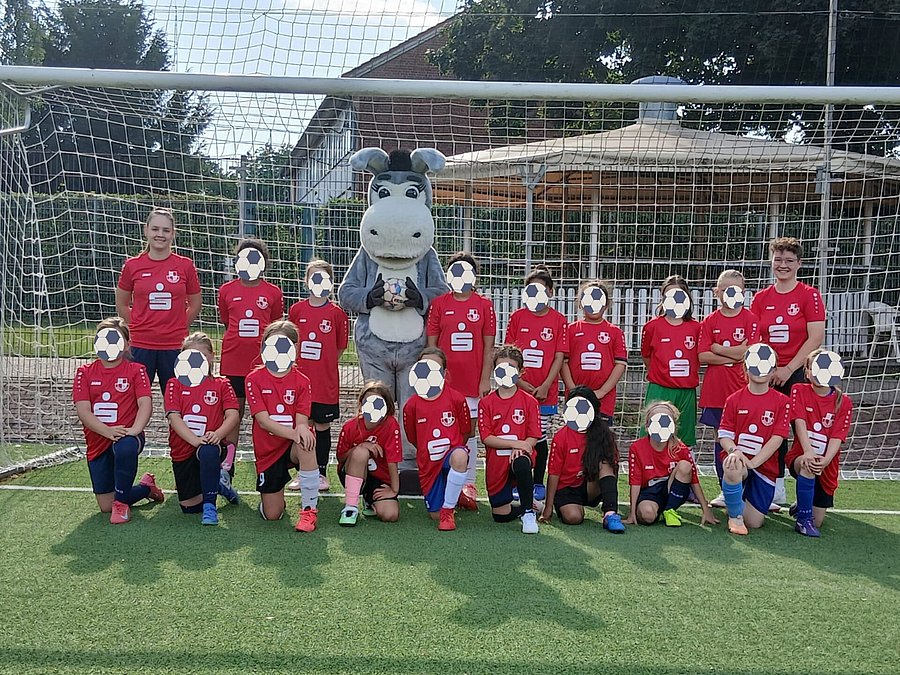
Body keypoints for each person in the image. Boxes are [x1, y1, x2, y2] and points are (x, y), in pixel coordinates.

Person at [749, 237, 826, 508]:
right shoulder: (760, 298)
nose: (783, 265)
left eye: (789, 260)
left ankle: (812, 493)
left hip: (798, 373)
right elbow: (756, 339)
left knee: (804, 429)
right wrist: (767, 370)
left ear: (799, 264)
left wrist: (789, 368)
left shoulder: (809, 295)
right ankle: (776, 487)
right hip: (768, 373)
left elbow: (815, 337)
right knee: (771, 427)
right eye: (778, 259)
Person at [72, 317, 164, 524]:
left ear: (127, 345)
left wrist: (135, 430)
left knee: (126, 446)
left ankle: (122, 505)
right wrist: (108, 431)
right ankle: (146, 488)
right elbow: (83, 411)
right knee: (106, 506)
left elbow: (145, 403)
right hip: (98, 441)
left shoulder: (136, 370)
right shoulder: (84, 373)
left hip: (127, 437)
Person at [426, 252, 496, 507]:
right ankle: (441, 478)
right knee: (443, 429)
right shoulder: (439, 304)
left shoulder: (484, 305)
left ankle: (469, 481)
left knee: (469, 432)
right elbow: (431, 348)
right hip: (444, 384)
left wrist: (485, 380)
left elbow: (489, 348)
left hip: (472, 382)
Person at [115, 208, 201, 393]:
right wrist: (136, 326)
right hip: (139, 345)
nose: (160, 234)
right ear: (146, 230)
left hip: (175, 345)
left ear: (173, 233)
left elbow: (195, 304)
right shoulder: (132, 265)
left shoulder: (185, 265)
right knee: (133, 399)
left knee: (179, 400)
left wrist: (179, 326)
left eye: (166, 230)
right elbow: (122, 303)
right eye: (155, 229)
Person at [245, 320, 318, 530]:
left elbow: (301, 421)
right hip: (268, 451)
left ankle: (309, 511)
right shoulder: (253, 379)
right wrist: (295, 433)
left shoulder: (302, 381)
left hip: (291, 446)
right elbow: (263, 421)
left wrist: (302, 431)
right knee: (272, 515)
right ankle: (274, 499)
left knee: (307, 442)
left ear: (294, 348)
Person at [504, 265, 567, 500]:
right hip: (518, 389)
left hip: (544, 392)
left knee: (539, 436)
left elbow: (559, 357)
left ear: (550, 292)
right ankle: (517, 481)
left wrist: (546, 385)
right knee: (518, 434)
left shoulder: (559, 320)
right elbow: (509, 353)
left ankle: (538, 482)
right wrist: (519, 382)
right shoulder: (517, 317)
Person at [164, 333, 241, 526]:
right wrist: (195, 440)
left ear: (212, 357)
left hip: (210, 445)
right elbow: (174, 418)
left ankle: (210, 506)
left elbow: (233, 415)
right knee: (189, 508)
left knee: (208, 451)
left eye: (201, 356)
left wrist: (218, 434)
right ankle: (218, 485)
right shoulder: (174, 384)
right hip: (183, 449)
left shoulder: (222, 384)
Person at [698, 270, 759, 507]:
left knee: (747, 438)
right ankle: (726, 488)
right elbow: (703, 355)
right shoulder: (710, 321)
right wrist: (735, 354)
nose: (730, 294)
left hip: (744, 391)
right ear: (717, 292)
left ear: (743, 293)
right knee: (721, 440)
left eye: (736, 290)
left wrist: (719, 349)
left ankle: (752, 490)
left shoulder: (750, 319)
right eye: (725, 290)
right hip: (716, 392)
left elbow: (750, 353)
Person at [288, 259, 349, 492]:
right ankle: (304, 472)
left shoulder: (337, 314)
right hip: (299, 382)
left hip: (325, 383)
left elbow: (340, 347)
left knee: (322, 425)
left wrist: (324, 364)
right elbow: (290, 343)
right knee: (302, 425)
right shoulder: (296, 310)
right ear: (306, 281)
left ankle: (321, 473)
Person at [217, 238, 284, 453]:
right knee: (233, 411)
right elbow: (226, 321)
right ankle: (228, 460)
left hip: (262, 363)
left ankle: (265, 456)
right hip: (233, 361)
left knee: (263, 413)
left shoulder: (273, 292)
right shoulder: (226, 290)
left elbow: (274, 326)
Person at [718, 344, 791, 535]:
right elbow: (724, 436)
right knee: (732, 464)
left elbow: (777, 439)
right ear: (746, 367)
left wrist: (754, 463)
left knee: (754, 522)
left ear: (773, 370)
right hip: (740, 460)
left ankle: (737, 497)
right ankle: (735, 517)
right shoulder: (733, 399)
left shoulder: (782, 402)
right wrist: (735, 452)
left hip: (764, 467)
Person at [403, 347, 472, 531]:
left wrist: (455, 450)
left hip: (451, 456)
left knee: (460, 456)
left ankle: (448, 510)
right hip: (429, 463)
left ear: (444, 373)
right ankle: (456, 495)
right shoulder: (411, 406)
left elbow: (465, 432)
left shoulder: (457, 399)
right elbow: (413, 438)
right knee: (434, 514)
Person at [785, 349, 854, 537]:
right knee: (808, 464)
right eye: (812, 367)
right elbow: (799, 422)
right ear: (807, 372)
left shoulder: (844, 402)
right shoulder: (798, 390)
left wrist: (825, 460)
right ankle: (803, 521)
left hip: (827, 465)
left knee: (819, 521)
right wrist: (807, 452)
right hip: (800, 457)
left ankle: (803, 503)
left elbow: (837, 438)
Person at [540, 387, 625, 533]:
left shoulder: (603, 434)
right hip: (567, 489)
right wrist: (548, 508)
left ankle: (610, 514)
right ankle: (562, 506)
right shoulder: (561, 437)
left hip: (591, 486)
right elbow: (554, 474)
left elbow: (613, 467)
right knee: (573, 517)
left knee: (606, 463)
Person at [478, 345, 542, 534]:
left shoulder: (530, 402)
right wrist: (516, 444)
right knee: (500, 516)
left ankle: (528, 514)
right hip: (496, 464)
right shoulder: (486, 403)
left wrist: (522, 447)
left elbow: (533, 436)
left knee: (521, 462)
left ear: (520, 372)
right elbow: (486, 438)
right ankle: (528, 503)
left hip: (520, 458)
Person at [623, 401, 718, 527]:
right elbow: (635, 481)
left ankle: (670, 509)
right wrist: (632, 513)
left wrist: (706, 510)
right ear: (647, 425)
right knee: (647, 515)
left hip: (672, 489)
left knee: (685, 466)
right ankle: (658, 511)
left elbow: (694, 479)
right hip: (650, 493)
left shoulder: (680, 448)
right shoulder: (637, 448)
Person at [641, 275, 700, 448]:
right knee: (654, 436)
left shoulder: (697, 328)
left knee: (684, 440)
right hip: (660, 389)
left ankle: (684, 465)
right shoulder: (652, 327)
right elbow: (646, 356)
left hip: (686, 391)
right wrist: (659, 373)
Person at [335, 381, 402, 526]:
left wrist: (394, 490)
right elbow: (341, 457)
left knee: (390, 514)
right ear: (361, 404)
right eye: (368, 402)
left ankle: (369, 500)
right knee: (361, 452)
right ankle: (350, 507)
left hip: (380, 477)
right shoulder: (350, 427)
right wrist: (361, 446)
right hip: (352, 472)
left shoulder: (391, 425)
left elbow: (393, 460)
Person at [562, 279, 627, 427]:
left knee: (600, 437)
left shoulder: (615, 332)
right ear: (581, 303)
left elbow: (620, 364)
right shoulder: (570, 330)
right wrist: (573, 389)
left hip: (603, 400)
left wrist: (602, 391)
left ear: (606, 304)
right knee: (576, 436)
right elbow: (563, 362)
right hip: (575, 397)